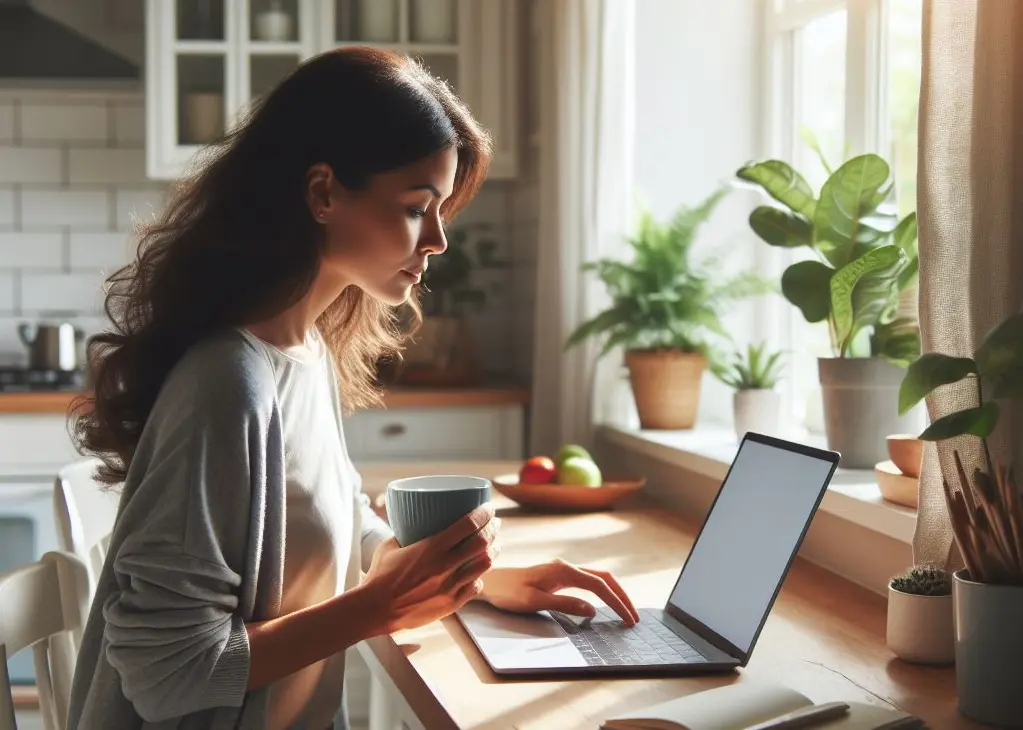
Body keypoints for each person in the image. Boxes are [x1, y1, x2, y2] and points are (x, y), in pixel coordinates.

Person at [64, 46, 638, 730]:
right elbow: (169, 675)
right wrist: (378, 606)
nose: (437, 241)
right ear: (323, 193)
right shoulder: (227, 385)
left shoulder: (303, 353)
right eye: (417, 207)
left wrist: (475, 583)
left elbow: (336, 525)